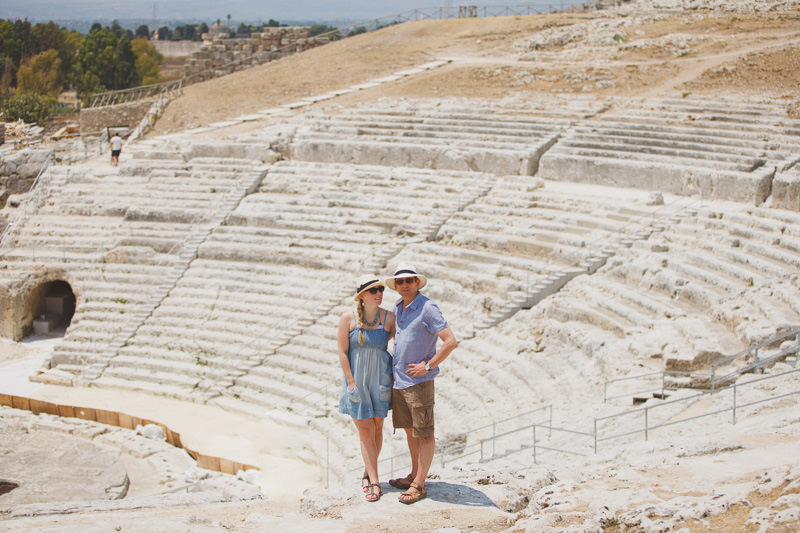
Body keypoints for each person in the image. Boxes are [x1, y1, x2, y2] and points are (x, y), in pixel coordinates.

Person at [385, 264, 457, 504]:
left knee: (424, 433)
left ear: (417, 283)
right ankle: (414, 474)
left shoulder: (427, 307)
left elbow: (450, 341)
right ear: (396, 286)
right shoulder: (399, 307)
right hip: (400, 381)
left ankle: (419, 484)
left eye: (409, 281)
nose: (404, 285)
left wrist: (427, 365)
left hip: (418, 382)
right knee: (409, 431)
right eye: (400, 282)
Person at [338, 275, 395, 502]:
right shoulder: (347, 318)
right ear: (362, 296)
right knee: (365, 430)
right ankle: (374, 482)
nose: (379, 294)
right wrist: (351, 382)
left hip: (379, 379)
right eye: (374, 291)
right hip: (357, 381)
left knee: (378, 427)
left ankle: (367, 473)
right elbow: (342, 352)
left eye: (381, 289)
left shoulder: (389, 318)